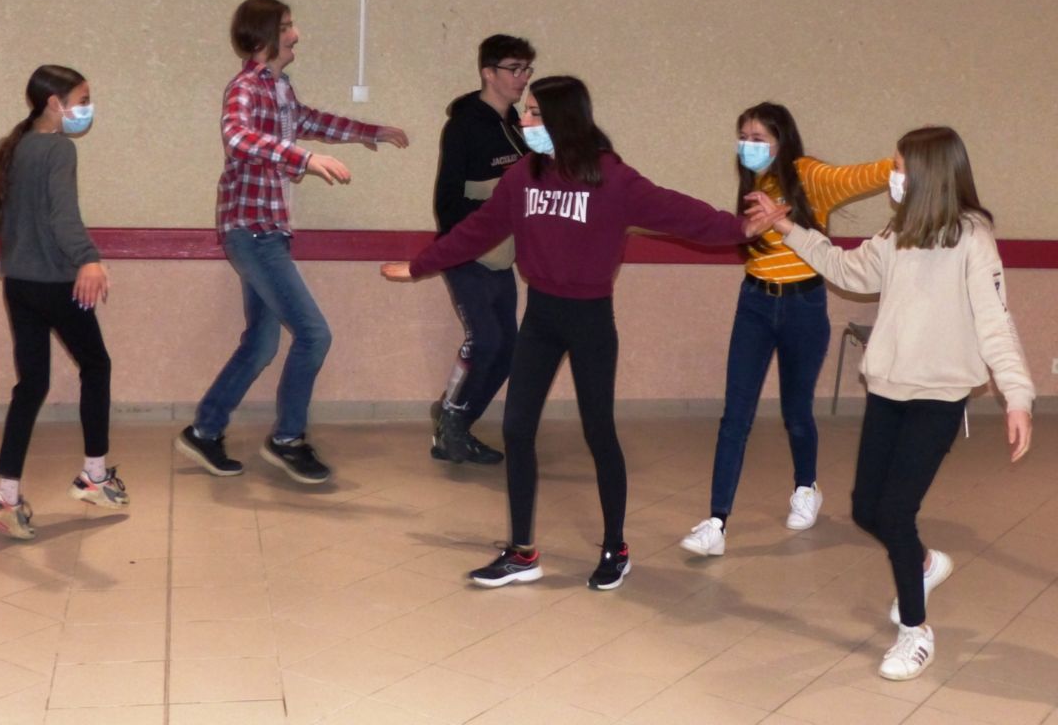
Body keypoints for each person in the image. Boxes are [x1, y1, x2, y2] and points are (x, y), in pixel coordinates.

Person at [382, 76, 786, 591]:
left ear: (563, 119)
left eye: (534, 113)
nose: (525, 121)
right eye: (525, 112)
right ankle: (522, 552)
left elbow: (677, 211)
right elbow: (477, 230)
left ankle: (616, 548)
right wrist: (422, 264)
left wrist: (739, 229)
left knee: (599, 433)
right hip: (541, 316)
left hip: (590, 318)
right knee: (516, 429)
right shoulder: (523, 177)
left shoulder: (611, 178)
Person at [752, 125, 1033, 680]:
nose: (893, 176)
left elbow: (996, 323)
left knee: (897, 512)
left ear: (930, 174)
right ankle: (925, 563)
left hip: (938, 398)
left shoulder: (972, 238)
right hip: (887, 390)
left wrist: (1017, 396)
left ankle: (915, 630)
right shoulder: (898, 231)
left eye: (900, 167)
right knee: (865, 509)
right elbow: (848, 270)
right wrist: (789, 228)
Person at [174, 0, 408, 484]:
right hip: (251, 230)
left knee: (261, 344)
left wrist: (370, 131)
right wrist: (303, 158)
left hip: (267, 232)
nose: (296, 34)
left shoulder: (280, 89)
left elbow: (312, 121)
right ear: (264, 36)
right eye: (286, 27)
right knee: (314, 334)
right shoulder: (245, 87)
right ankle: (287, 440)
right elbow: (236, 137)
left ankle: (204, 430)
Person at [680, 102, 892, 558]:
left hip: (803, 306)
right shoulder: (753, 182)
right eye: (743, 137)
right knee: (735, 416)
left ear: (782, 140)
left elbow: (858, 176)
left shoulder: (809, 175)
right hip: (755, 304)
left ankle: (806, 487)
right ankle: (716, 522)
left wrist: (902, 160)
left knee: (796, 412)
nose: (748, 146)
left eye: (758, 138)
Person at [0, 65, 127, 540]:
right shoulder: (58, 149)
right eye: (82, 99)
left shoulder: (14, 147)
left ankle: (5, 497)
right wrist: (88, 259)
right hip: (57, 284)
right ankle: (94, 477)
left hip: (19, 285)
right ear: (55, 103)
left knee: (31, 385)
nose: (87, 108)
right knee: (97, 365)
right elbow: (62, 215)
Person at [429, 34, 535, 465]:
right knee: (486, 340)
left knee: (508, 349)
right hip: (466, 253)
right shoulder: (464, 127)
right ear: (488, 73)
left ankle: (454, 419)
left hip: (501, 257)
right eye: (514, 69)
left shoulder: (520, 128)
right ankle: (452, 429)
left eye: (527, 69)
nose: (523, 78)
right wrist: (499, 203)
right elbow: (447, 204)